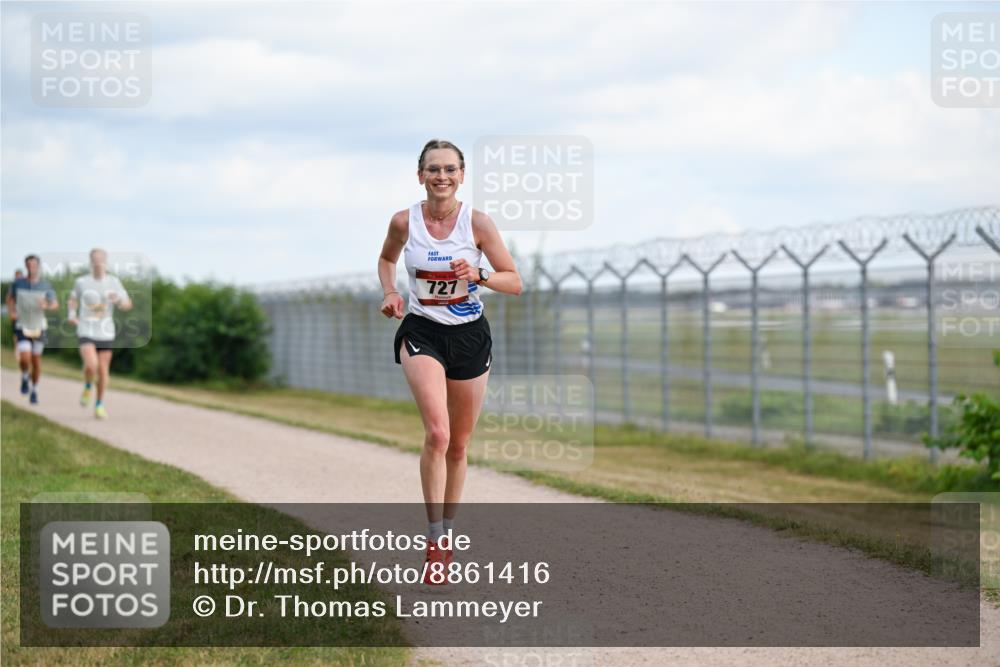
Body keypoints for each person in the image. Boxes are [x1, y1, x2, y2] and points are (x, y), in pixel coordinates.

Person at [378, 139, 522, 584]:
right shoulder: (405, 221)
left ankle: (450, 532)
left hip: (470, 337)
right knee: (437, 434)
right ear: (420, 175)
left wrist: (478, 274)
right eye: (434, 169)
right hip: (422, 331)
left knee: (459, 444)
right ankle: (435, 538)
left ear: (462, 176)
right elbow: (387, 258)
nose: (442, 177)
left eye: (451, 170)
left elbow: (514, 281)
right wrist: (390, 291)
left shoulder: (477, 223)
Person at [67, 248, 132, 419]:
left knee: (103, 370)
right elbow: (73, 299)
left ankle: (99, 404)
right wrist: (71, 315)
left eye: (100, 260)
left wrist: (117, 300)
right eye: (94, 260)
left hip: (105, 331)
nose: (97, 263)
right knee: (91, 365)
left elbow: (127, 305)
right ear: (90, 262)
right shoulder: (82, 281)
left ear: (105, 262)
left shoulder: (113, 282)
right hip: (86, 328)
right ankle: (88, 385)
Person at [5, 256, 59, 404]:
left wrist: (46, 305)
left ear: (38, 266)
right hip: (22, 325)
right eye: (28, 265)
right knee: (24, 358)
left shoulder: (45, 285)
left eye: (34, 265)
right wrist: (11, 313)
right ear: (26, 266)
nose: (31, 267)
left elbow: (55, 304)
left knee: (36, 361)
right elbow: (9, 299)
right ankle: (24, 376)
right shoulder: (18, 283)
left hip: (39, 327)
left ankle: (34, 389)